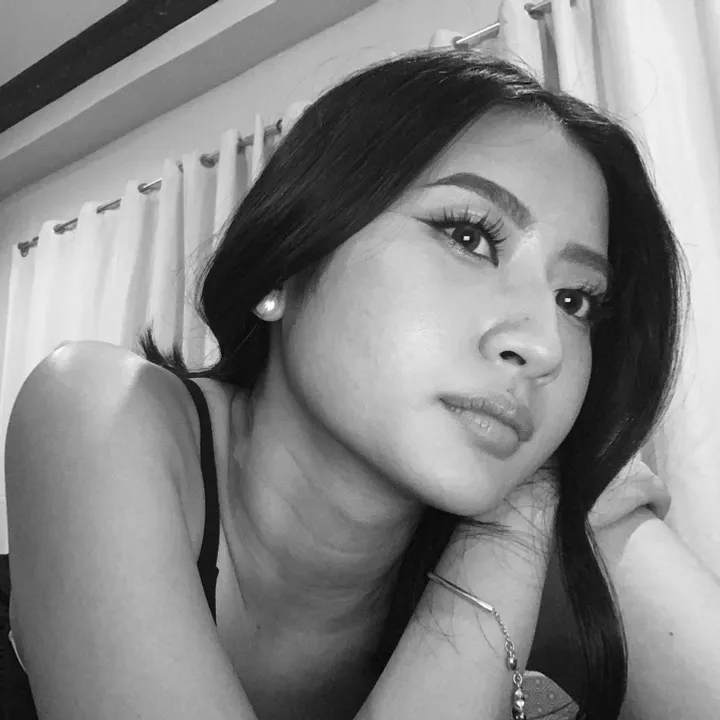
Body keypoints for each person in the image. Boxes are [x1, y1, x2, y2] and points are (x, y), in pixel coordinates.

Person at [2, 48, 715, 720]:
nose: (542, 345)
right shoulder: (99, 408)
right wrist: (502, 550)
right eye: (468, 236)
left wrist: (521, 517)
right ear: (286, 263)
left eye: (575, 300)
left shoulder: (552, 498)